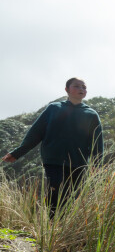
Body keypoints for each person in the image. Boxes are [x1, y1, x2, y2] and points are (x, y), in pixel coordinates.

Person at [3, 77, 103, 217]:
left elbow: (96, 142)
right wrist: (17, 153)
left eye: (84, 87)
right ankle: (50, 227)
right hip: (53, 161)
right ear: (67, 90)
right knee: (54, 191)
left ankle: (61, 231)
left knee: (70, 197)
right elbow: (35, 133)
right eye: (77, 86)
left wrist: (97, 164)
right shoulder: (53, 108)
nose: (81, 89)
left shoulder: (91, 114)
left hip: (78, 163)